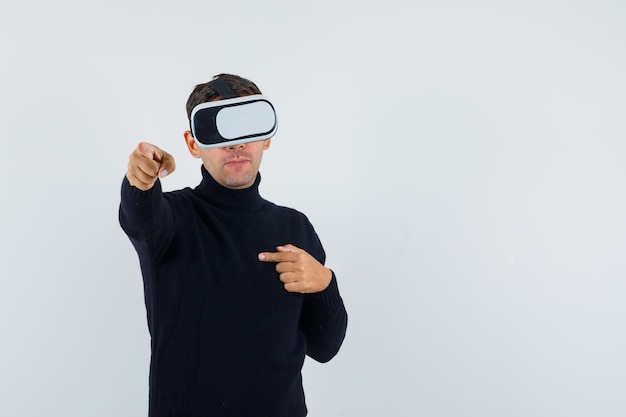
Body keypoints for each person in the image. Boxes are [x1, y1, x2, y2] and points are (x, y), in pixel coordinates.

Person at [119, 73, 348, 417]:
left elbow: (326, 347)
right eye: (218, 128)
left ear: (266, 138)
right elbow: (141, 217)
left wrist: (324, 284)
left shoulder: (295, 227)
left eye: (247, 127)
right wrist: (140, 181)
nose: (236, 144)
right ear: (193, 143)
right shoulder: (173, 218)